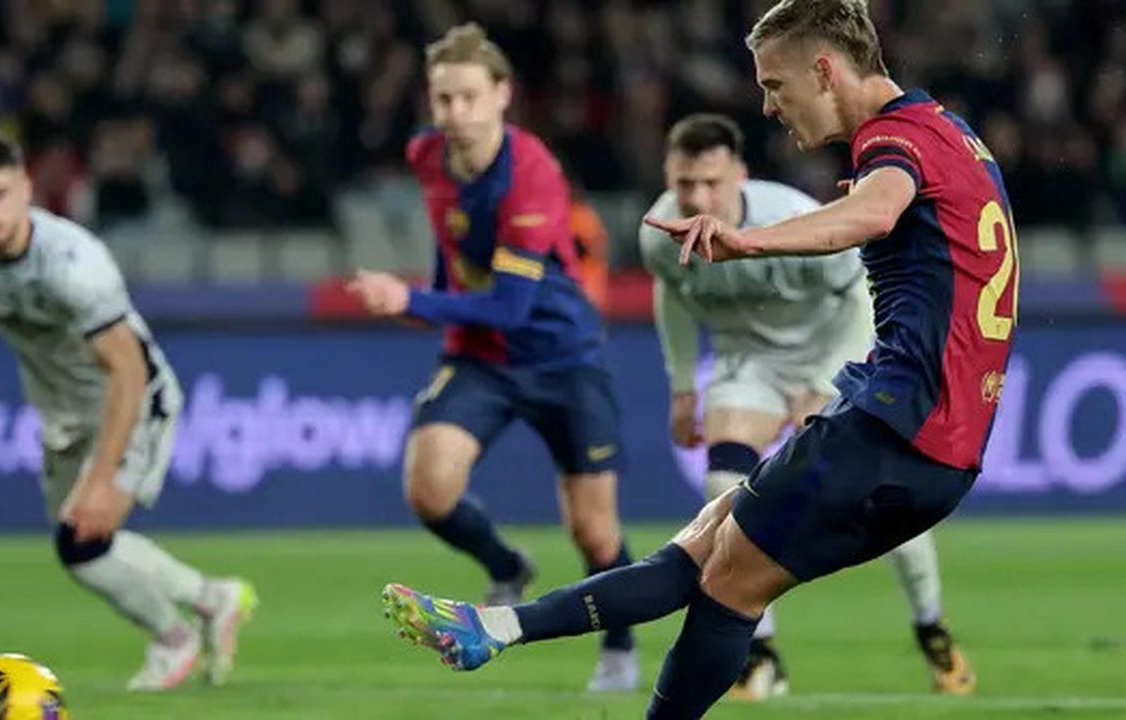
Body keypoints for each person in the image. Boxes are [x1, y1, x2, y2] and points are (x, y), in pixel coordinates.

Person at [380, 1, 1018, 717]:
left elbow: (873, 214)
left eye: (775, 86)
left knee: (728, 583)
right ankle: (495, 626)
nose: (769, 106)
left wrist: (747, 241)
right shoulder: (947, 130)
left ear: (825, 69)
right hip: (925, 435)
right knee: (705, 541)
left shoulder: (891, 142)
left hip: (898, 429)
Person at [0, 136, 257, 692]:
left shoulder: (74, 265)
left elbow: (129, 370)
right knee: (85, 548)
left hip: (133, 402)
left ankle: (173, 638)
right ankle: (215, 599)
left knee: (82, 537)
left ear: (25, 190)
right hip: (63, 411)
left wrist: (101, 477)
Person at [345, 23, 638, 692]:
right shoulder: (426, 156)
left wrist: (409, 299)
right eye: (443, 99)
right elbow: (454, 254)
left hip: (563, 357)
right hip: (480, 357)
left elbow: (511, 307)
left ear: (502, 95)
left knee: (595, 534)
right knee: (428, 485)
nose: (454, 115)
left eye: (468, 97)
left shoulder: (532, 176)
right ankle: (507, 565)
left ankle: (619, 644)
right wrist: (434, 300)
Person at [641, 112, 973, 698]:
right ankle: (759, 655)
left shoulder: (791, 217)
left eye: (710, 184)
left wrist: (825, 381)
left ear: (738, 176)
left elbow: (861, 298)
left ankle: (931, 628)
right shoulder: (660, 233)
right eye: (684, 184)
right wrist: (682, 388)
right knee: (724, 477)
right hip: (751, 363)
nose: (696, 197)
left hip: (831, 351)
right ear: (669, 176)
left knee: (886, 503)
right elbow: (671, 296)